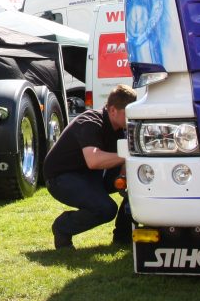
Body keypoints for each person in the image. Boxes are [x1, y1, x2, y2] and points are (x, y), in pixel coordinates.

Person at [42, 84, 138, 249]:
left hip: (89, 175)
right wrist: (127, 156)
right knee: (105, 209)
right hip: (61, 177)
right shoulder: (90, 122)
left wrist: (126, 179)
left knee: (137, 184)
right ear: (113, 110)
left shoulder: (121, 129)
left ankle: (123, 237)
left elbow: (122, 164)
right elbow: (93, 160)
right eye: (128, 113)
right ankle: (63, 227)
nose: (132, 117)